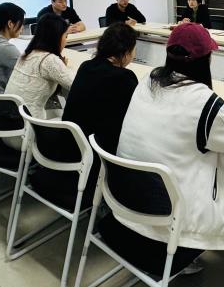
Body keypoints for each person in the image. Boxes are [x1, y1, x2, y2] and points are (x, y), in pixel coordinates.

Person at [102, 22, 224, 276]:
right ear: (205, 61)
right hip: (169, 221)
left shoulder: (148, 80)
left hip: (127, 202)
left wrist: (218, 108)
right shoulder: (203, 103)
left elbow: (178, 113)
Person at [27, 23, 140, 209]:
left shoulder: (86, 66)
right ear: (126, 51)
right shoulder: (125, 77)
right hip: (96, 158)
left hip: (69, 149)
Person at [5, 14, 75, 121]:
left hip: (9, 119)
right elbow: (76, 85)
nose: (66, 41)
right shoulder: (49, 60)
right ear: (56, 37)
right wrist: (65, 68)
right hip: (30, 125)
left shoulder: (27, 53)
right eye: (66, 36)